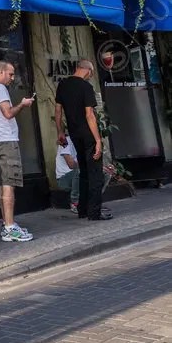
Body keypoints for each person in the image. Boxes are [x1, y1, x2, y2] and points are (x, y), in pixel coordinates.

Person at [0, 60, 35, 242]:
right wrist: (23, 104)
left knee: (2, 183)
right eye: (10, 74)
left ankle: (6, 223)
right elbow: (8, 113)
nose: (12, 78)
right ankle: (10, 228)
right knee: (9, 184)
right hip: (7, 141)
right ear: (1, 72)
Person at [55, 60, 113, 222]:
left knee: (84, 172)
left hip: (74, 134)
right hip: (88, 134)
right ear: (88, 71)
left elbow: (58, 111)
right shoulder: (86, 87)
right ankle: (94, 212)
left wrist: (60, 132)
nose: (90, 76)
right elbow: (90, 115)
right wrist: (98, 140)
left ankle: (83, 210)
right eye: (91, 74)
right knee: (95, 174)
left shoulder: (63, 85)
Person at [55, 132, 115, 214]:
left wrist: (103, 168)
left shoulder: (85, 143)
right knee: (80, 170)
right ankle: (75, 203)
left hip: (78, 175)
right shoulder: (66, 142)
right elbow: (71, 165)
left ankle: (94, 201)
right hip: (64, 179)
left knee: (106, 172)